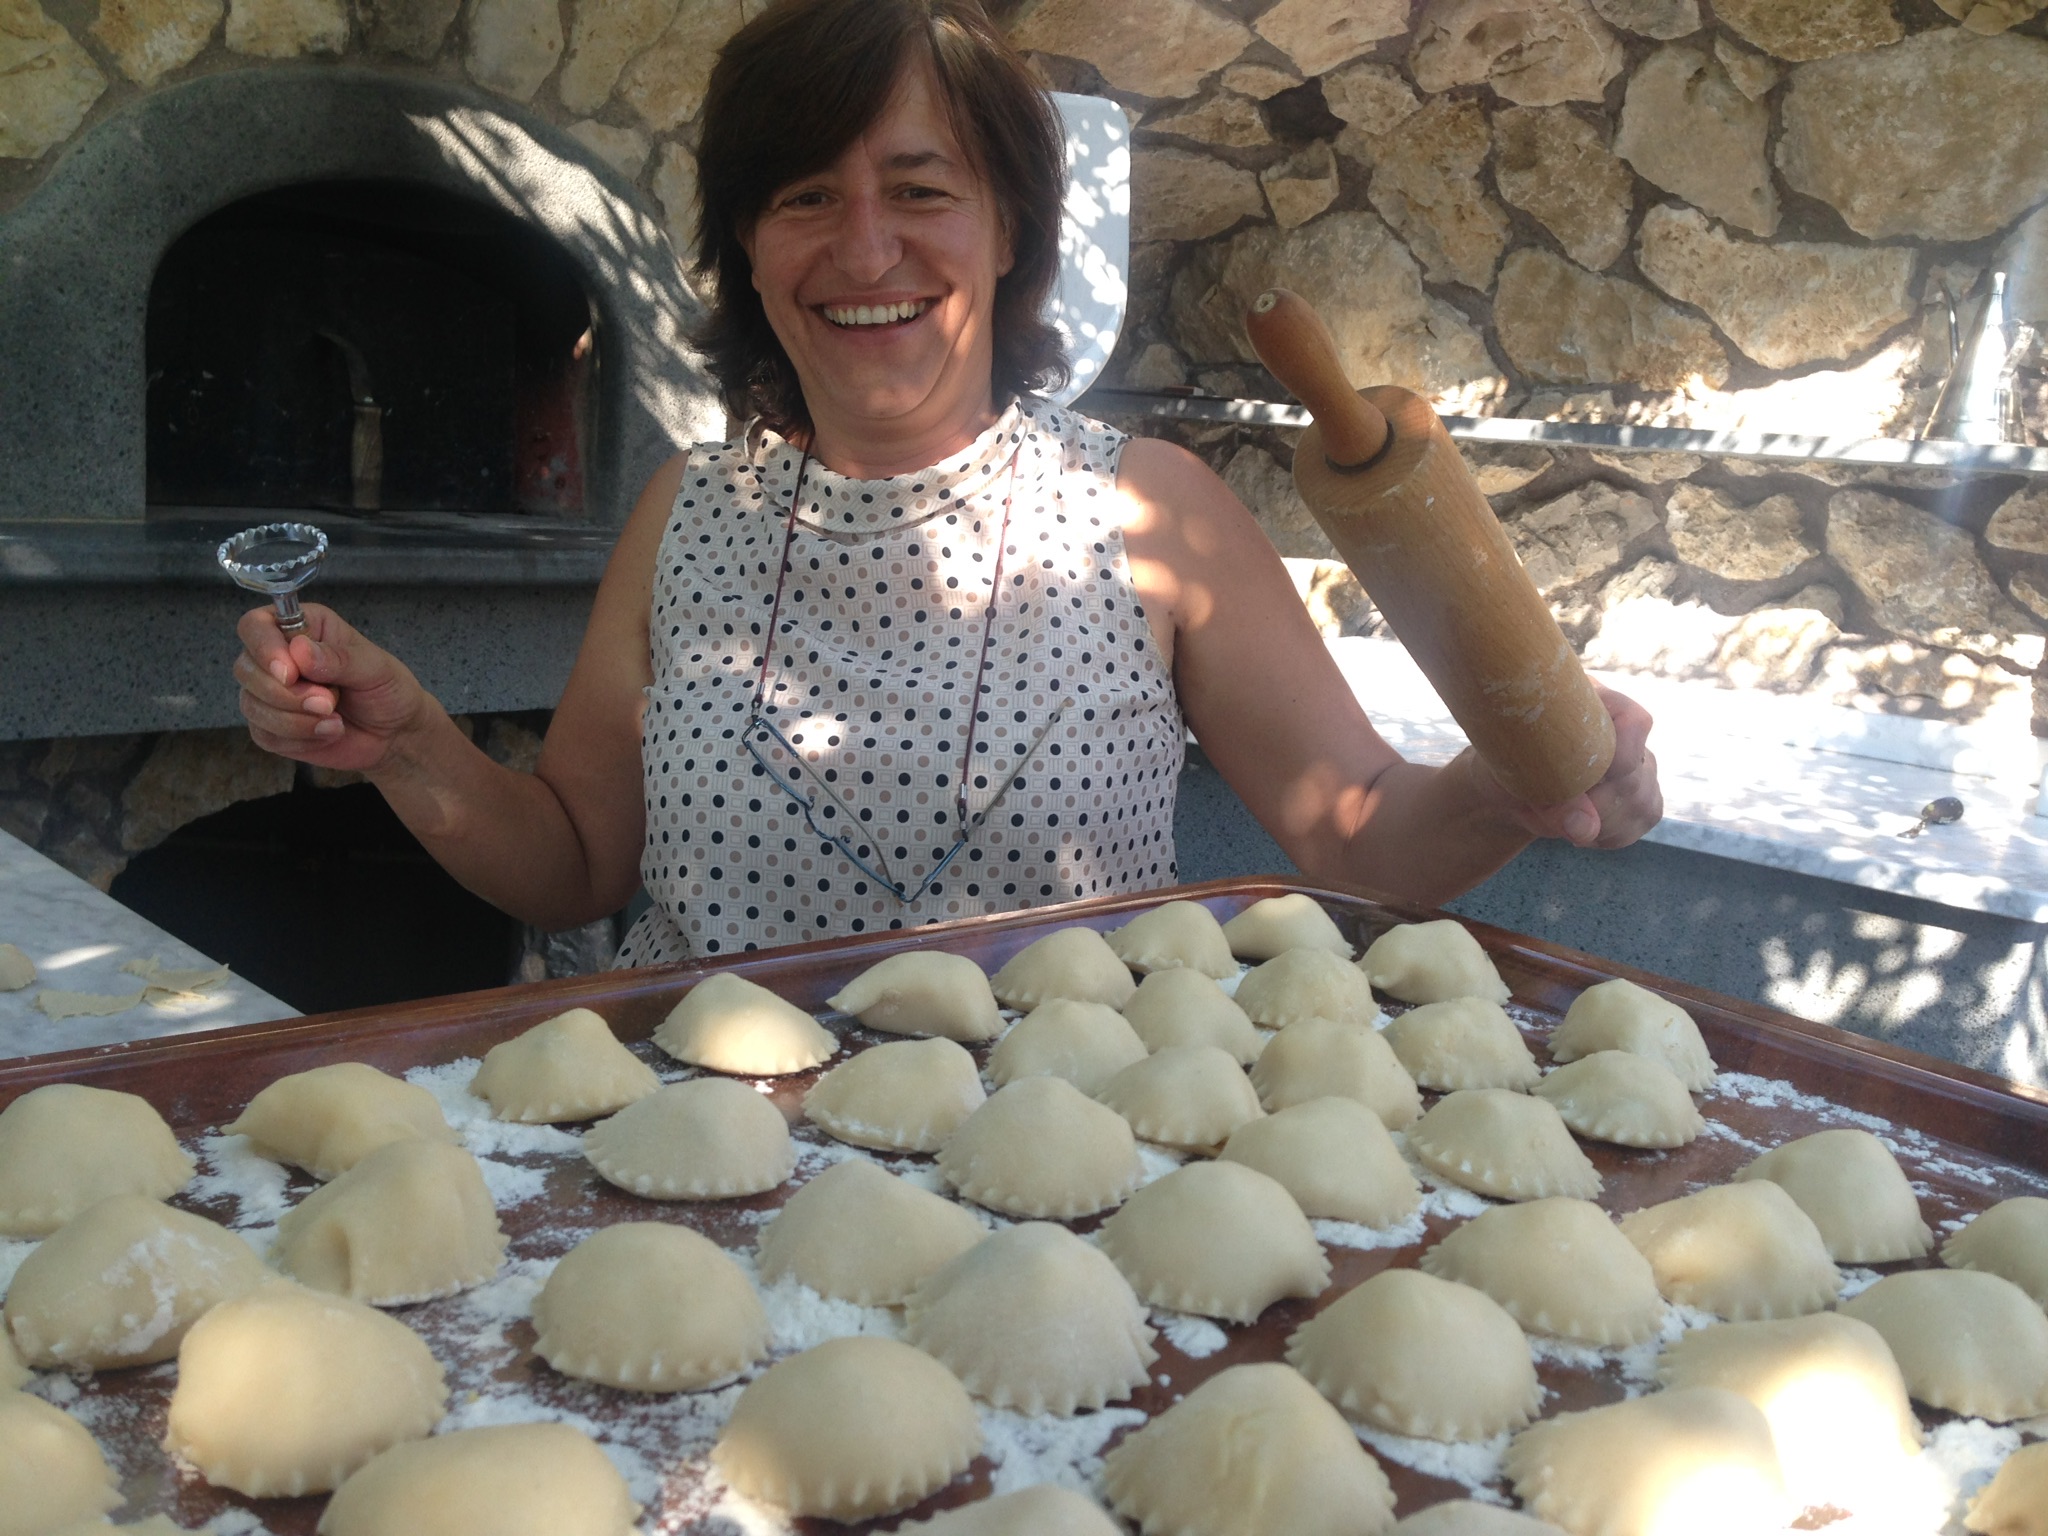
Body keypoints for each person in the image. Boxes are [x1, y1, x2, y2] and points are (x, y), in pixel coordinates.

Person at [232, 0, 1660, 963]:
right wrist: (411, 746)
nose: (864, 253)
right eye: (805, 198)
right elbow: (581, 862)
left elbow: (1362, 838)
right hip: (700, 1175)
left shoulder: (1150, 515)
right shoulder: (685, 514)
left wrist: (1504, 787)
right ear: (749, 247)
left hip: (1055, 1208)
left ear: (1007, 236)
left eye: (921, 191)